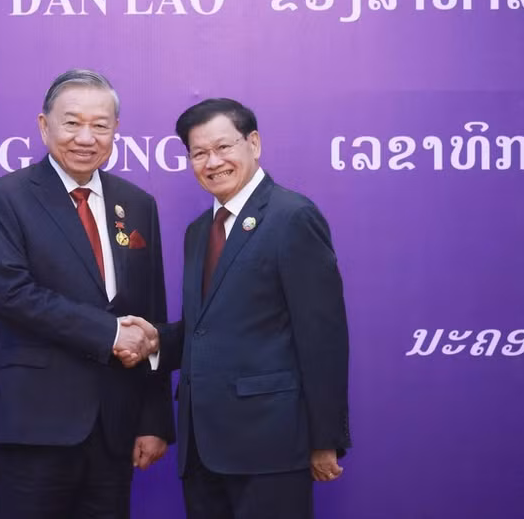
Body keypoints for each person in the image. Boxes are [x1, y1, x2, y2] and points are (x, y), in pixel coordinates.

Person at [119, 98, 351, 519]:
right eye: (199, 153)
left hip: (271, 445)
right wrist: (154, 340)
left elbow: (323, 336)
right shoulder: (198, 232)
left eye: (224, 147)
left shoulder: (292, 217)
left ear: (254, 143)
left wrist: (325, 437)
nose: (213, 162)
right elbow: (204, 329)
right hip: (203, 449)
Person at [0, 69, 174, 519]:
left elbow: (151, 315)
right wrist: (109, 334)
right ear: (44, 126)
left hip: (114, 428)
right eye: (72, 122)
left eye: (100, 125)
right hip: (35, 424)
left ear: (115, 131)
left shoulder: (138, 203)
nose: (86, 137)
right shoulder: (6, 197)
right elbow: (11, 292)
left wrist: (154, 420)